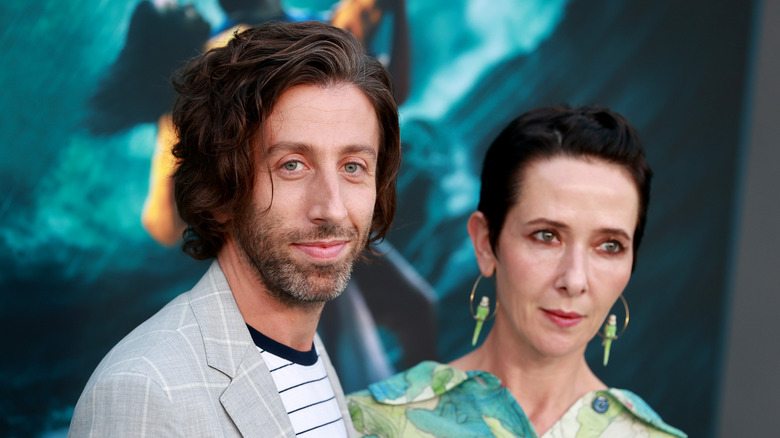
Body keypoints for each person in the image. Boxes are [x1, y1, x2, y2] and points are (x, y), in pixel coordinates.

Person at [69, 20, 400, 437]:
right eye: (291, 166)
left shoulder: (312, 359)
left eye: (353, 167)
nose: (331, 209)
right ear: (221, 191)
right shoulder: (144, 391)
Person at [348, 105, 687, 437]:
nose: (574, 280)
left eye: (609, 245)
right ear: (484, 242)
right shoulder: (364, 424)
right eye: (546, 236)